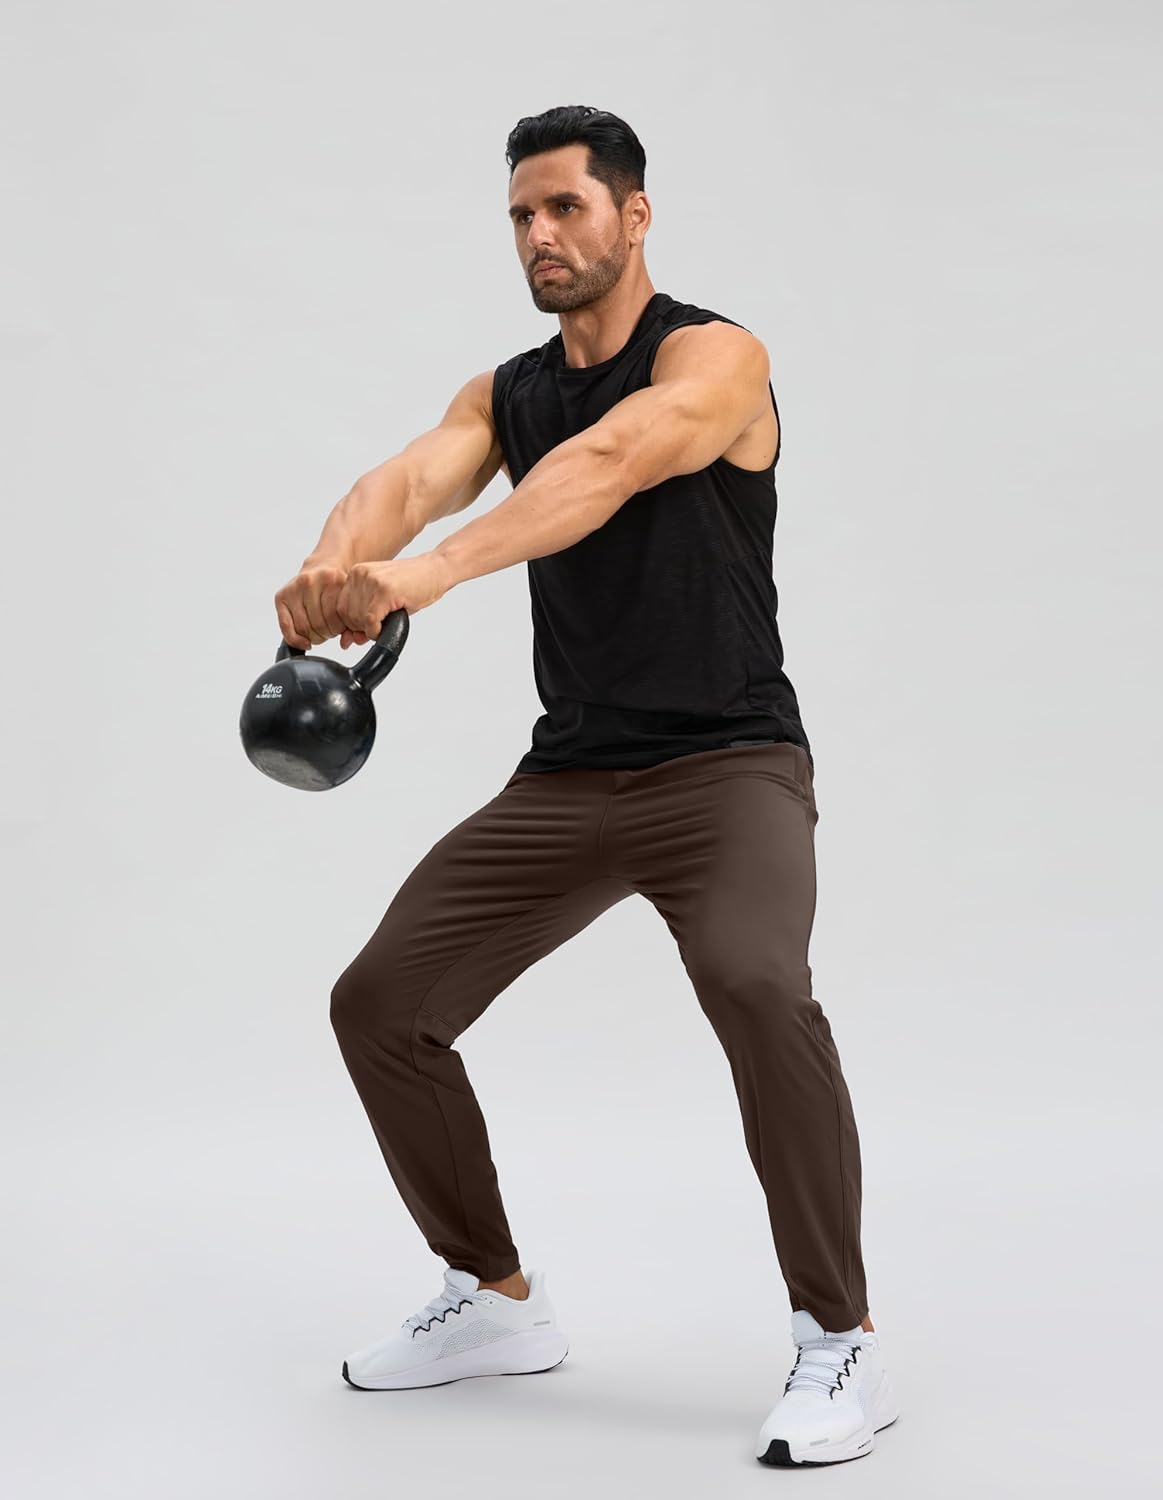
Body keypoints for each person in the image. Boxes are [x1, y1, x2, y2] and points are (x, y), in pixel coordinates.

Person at [274, 105, 899, 1466]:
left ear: (634, 215)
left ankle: (837, 1338)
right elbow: (408, 482)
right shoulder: (505, 391)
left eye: (565, 207)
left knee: (754, 983)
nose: (540, 235)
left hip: (728, 762)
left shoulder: (716, 358)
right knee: (379, 1004)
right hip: (570, 774)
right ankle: (494, 1298)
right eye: (521, 215)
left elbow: (607, 466)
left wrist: (428, 575)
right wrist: (335, 565)